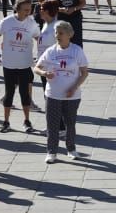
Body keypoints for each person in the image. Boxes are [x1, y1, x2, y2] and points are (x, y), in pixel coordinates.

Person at [34, 21, 90, 163]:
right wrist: (44, 73)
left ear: (69, 35)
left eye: (61, 33)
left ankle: (71, 149)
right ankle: (51, 152)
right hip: (53, 94)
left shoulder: (76, 51)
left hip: (72, 95)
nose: (57, 36)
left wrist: (74, 87)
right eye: (56, 33)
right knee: (52, 125)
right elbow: (37, 67)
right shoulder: (51, 51)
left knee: (70, 124)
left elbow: (84, 72)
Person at [0, 0, 39, 134]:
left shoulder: (32, 23)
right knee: (9, 93)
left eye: (30, 9)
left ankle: (27, 121)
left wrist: (42, 56)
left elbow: (38, 38)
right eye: (25, 10)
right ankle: (6, 122)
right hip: (9, 63)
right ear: (17, 9)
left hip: (25, 64)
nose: (28, 12)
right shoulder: (7, 22)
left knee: (25, 94)